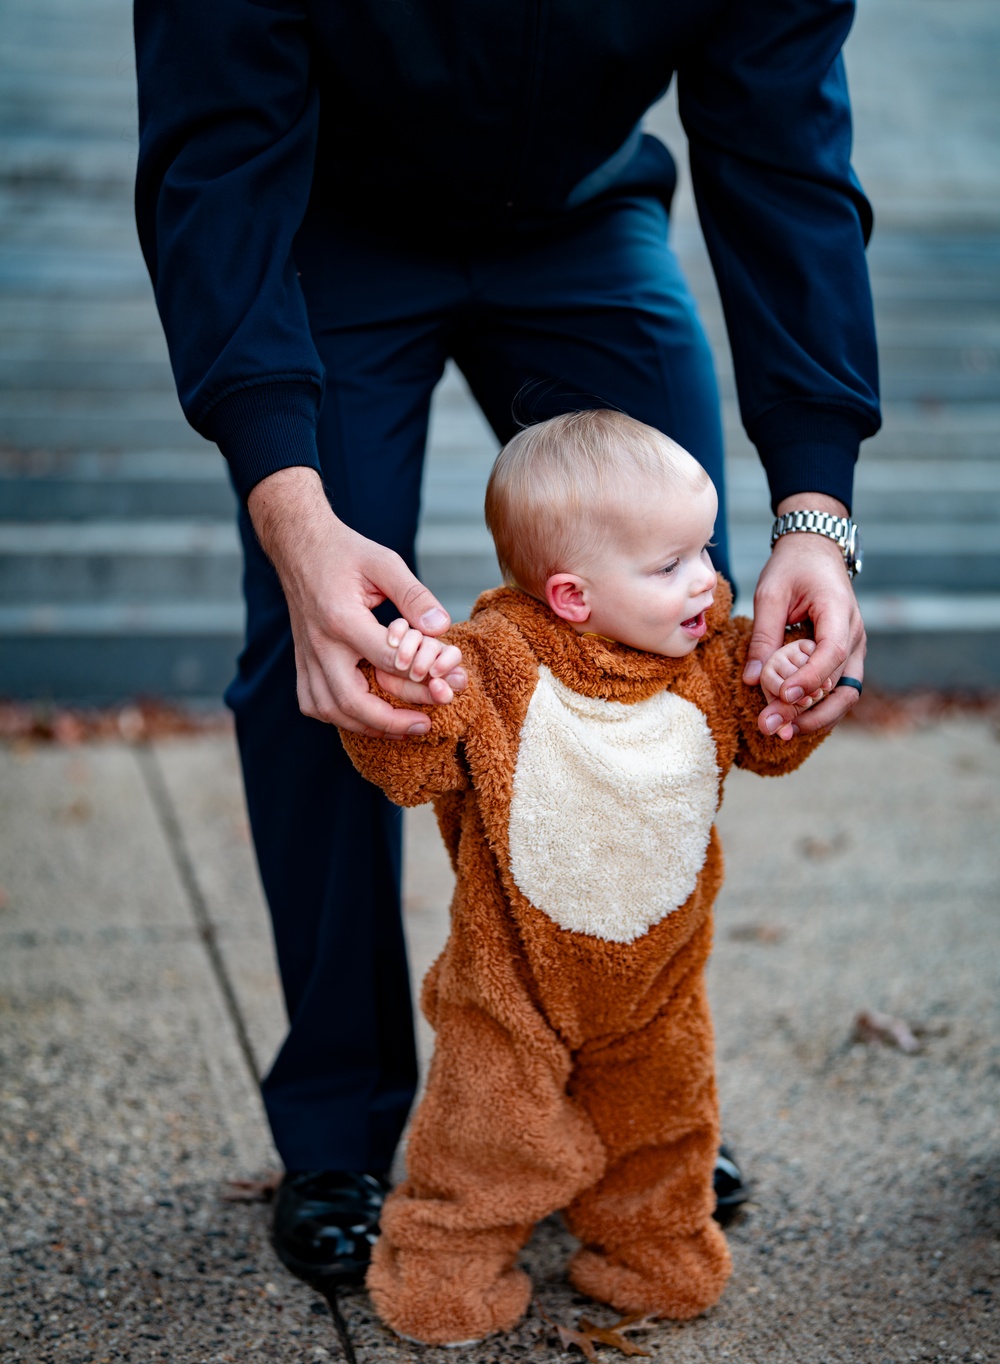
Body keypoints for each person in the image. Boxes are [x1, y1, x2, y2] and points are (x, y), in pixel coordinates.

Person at [133, 0, 878, 1284]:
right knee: (338, 662)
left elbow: (786, 148)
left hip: (582, 219)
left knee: (673, 636)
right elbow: (213, 150)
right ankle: (344, 1128)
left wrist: (816, 511)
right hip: (329, 220)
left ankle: (621, 1102)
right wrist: (292, 511)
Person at [340, 411, 832, 1346]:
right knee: (483, 1130)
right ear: (571, 595)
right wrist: (408, 692)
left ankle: (652, 1245)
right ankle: (443, 1271)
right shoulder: (495, 663)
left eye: (706, 549)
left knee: (667, 1117)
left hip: (656, 979)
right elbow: (414, 767)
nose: (707, 580)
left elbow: (770, 742)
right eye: (669, 565)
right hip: (514, 976)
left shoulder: (712, 655)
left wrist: (791, 686)